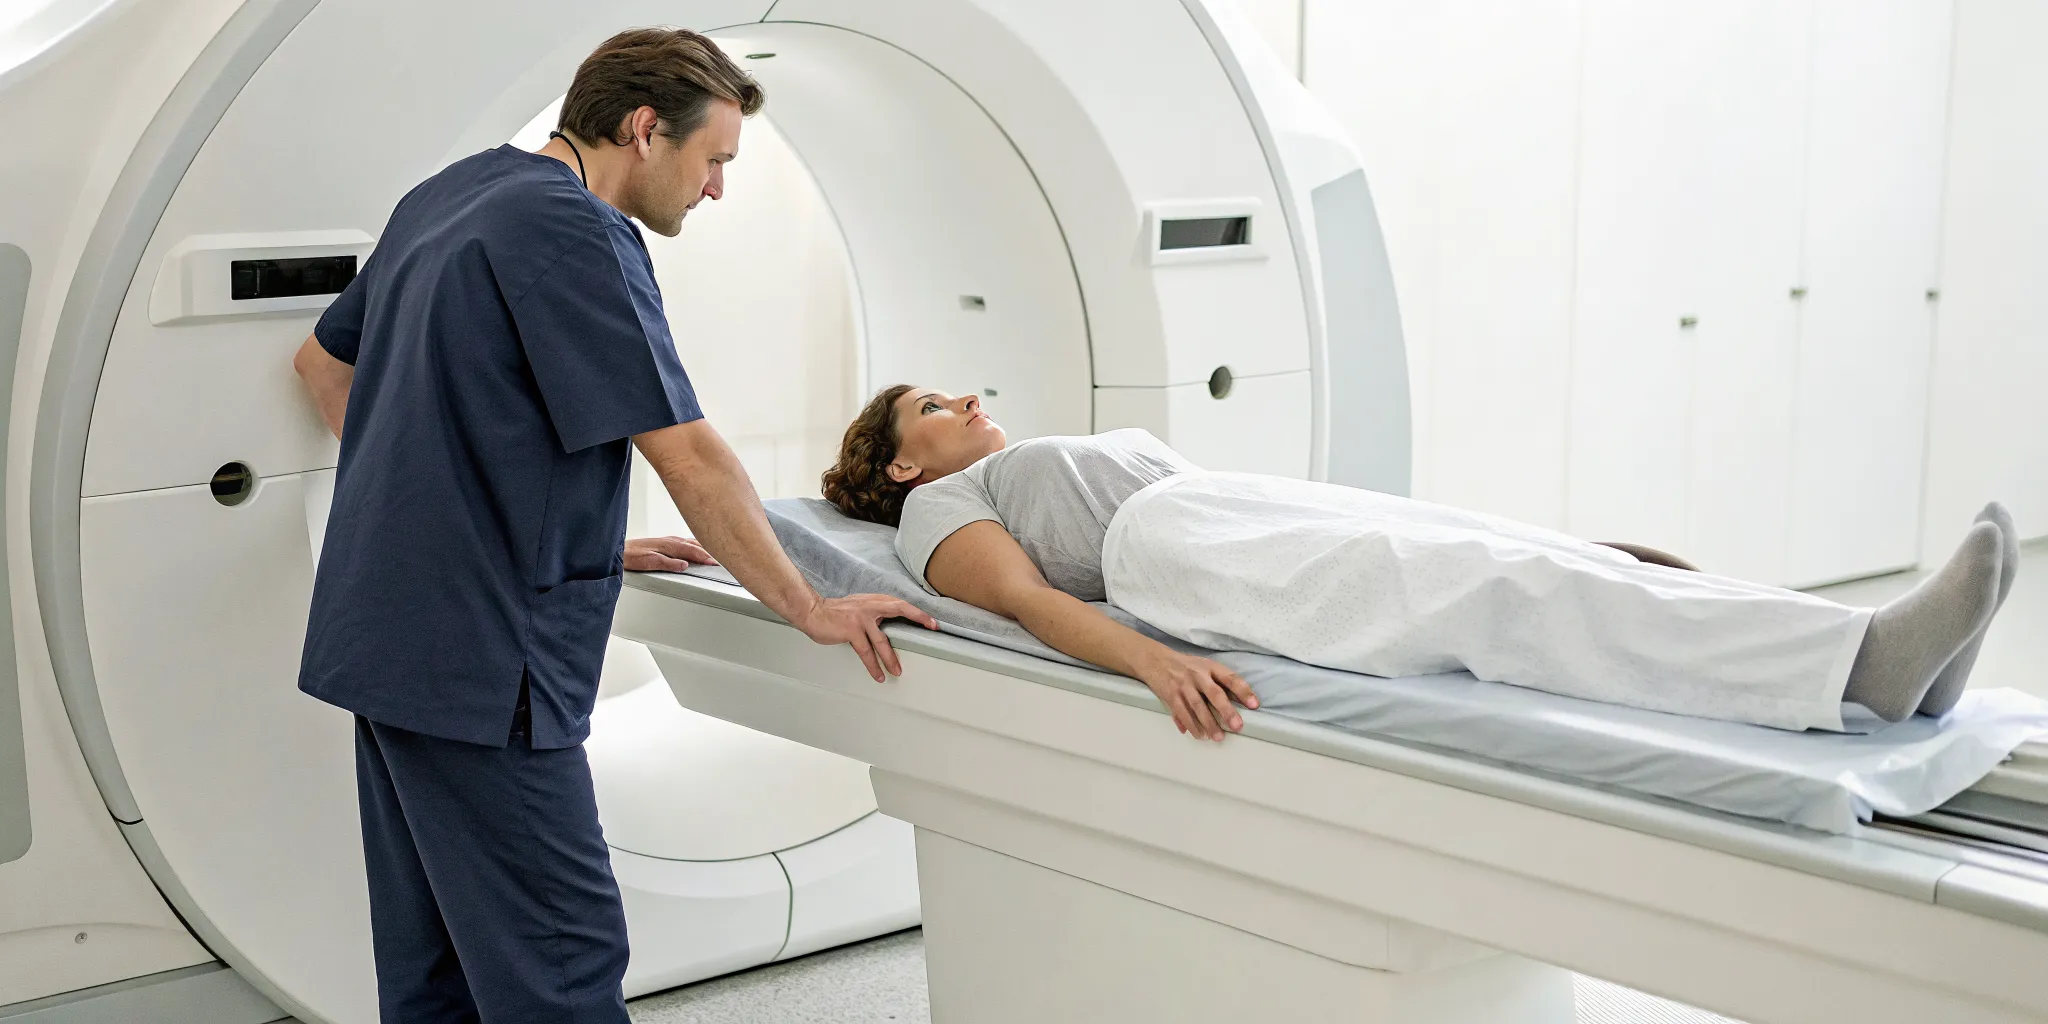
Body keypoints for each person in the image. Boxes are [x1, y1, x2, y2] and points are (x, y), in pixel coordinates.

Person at [291, 29, 934, 1023]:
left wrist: (530, 528)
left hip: (382, 631)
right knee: (563, 954)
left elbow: (325, 366)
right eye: (713, 158)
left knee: (435, 962)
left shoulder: (452, 193)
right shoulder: (578, 231)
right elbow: (689, 456)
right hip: (483, 656)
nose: (716, 188)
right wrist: (809, 604)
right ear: (643, 129)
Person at [820, 385, 2017, 742]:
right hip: (1173, 552)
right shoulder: (942, 511)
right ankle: (1858, 664)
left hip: (1229, 510)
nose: (965, 398)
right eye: (931, 405)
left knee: (1541, 548)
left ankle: (1882, 666)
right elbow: (1027, 603)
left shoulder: (1016, 459)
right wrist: (1149, 662)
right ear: (902, 463)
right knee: (1491, 592)